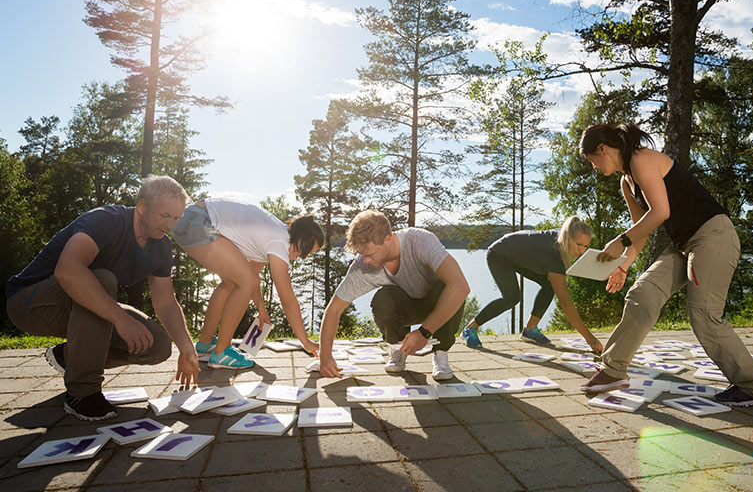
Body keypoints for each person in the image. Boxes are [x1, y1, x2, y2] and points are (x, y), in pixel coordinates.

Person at [578, 123, 753, 406]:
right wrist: (622, 267)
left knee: (703, 313)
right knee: (642, 295)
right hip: (683, 246)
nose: (593, 166)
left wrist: (620, 241)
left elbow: (660, 212)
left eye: (591, 160)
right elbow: (641, 229)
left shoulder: (642, 159)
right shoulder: (626, 182)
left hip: (712, 236)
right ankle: (612, 370)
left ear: (602, 149)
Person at [5, 175, 200, 421]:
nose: (170, 225)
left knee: (157, 346)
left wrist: (187, 348)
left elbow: (165, 302)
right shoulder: (106, 220)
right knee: (102, 279)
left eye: (176, 218)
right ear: (142, 207)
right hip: (31, 303)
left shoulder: (161, 247)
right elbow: (68, 270)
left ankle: (68, 357)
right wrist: (121, 319)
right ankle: (82, 393)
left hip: (82, 308)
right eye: (165, 216)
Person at [317, 210, 470, 381]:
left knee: (449, 287)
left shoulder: (419, 241)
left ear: (388, 239)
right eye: (362, 255)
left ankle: (440, 353)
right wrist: (325, 357)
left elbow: (461, 286)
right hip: (408, 307)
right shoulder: (363, 265)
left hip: (436, 305)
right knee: (384, 298)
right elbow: (334, 309)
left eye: (370, 254)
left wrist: (423, 333)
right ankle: (398, 350)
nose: (366, 261)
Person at [171, 198, 323, 369]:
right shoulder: (279, 241)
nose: (302, 257)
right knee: (241, 281)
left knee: (231, 282)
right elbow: (287, 300)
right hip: (198, 222)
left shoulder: (274, 238)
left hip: (191, 220)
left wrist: (261, 309)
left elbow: (250, 278)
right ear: (300, 239)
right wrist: (305, 341)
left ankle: (205, 345)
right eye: (305, 251)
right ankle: (220, 353)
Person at [460, 217, 603, 353]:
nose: (581, 250)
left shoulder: (562, 241)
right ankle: (470, 328)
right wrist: (590, 339)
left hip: (518, 256)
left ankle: (530, 329)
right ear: (567, 238)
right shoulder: (554, 253)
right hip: (499, 254)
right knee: (512, 297)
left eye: (585, 246)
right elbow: (566, 303)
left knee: (549, 285)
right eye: (578, 244)